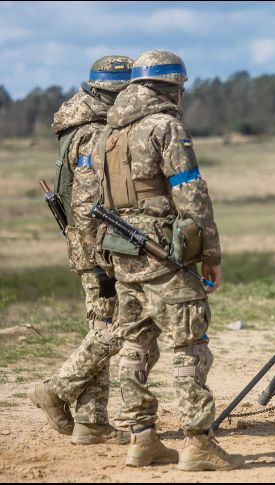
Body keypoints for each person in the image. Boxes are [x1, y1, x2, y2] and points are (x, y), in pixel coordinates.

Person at [92, 49, 243, 471]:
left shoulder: (109, 133)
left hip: (123, 255)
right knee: (189, 345)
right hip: (164, 255)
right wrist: (209, 253)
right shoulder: (166, 127)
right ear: (171, 86)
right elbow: (190, 193)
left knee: (134, 345)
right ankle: (198, 443)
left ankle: (143, 440)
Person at [29, 55, 134, 445]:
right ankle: (55, 389)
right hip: (98, 251)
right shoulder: (93, 133)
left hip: (91, 249)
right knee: (119, 327)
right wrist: (105, 260)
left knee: (100, 329)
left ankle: (91, 423)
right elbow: (91, 207)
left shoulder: (78, 126)